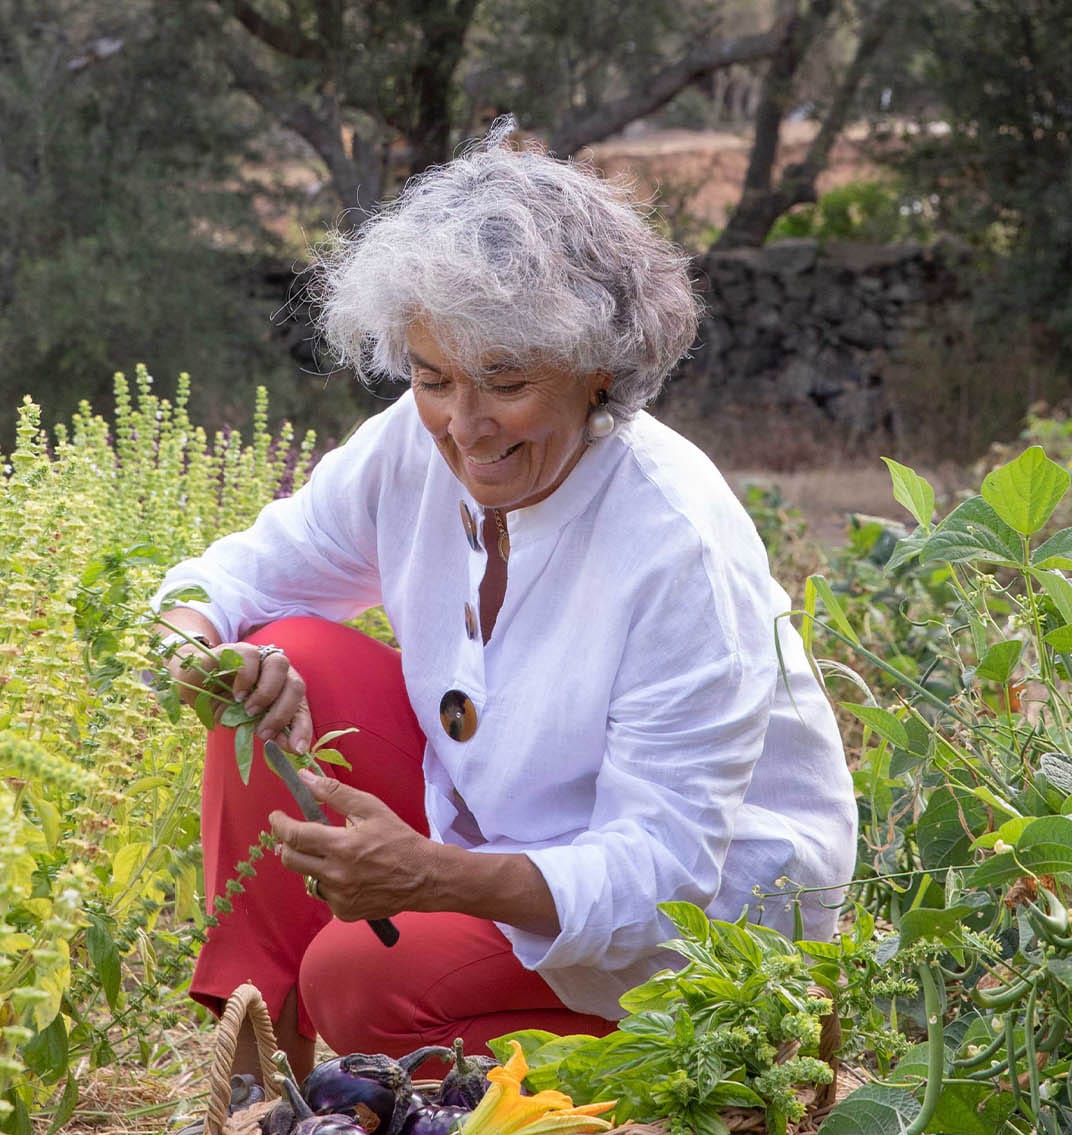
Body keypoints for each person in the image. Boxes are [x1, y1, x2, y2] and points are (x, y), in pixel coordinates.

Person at [149, 124, 856, 1083]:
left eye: (508, 384)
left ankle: (445, 1133)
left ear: (599, 372)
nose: (464, 427)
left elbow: (665, 874)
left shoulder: (673, 545)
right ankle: (260, 1108)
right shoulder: (414, 440)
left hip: (690, 947)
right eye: (434, 379)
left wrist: (434, 878)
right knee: (285, 660)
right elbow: (241, 576)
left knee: (360, 976)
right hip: (495, 832)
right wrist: (193, 645)